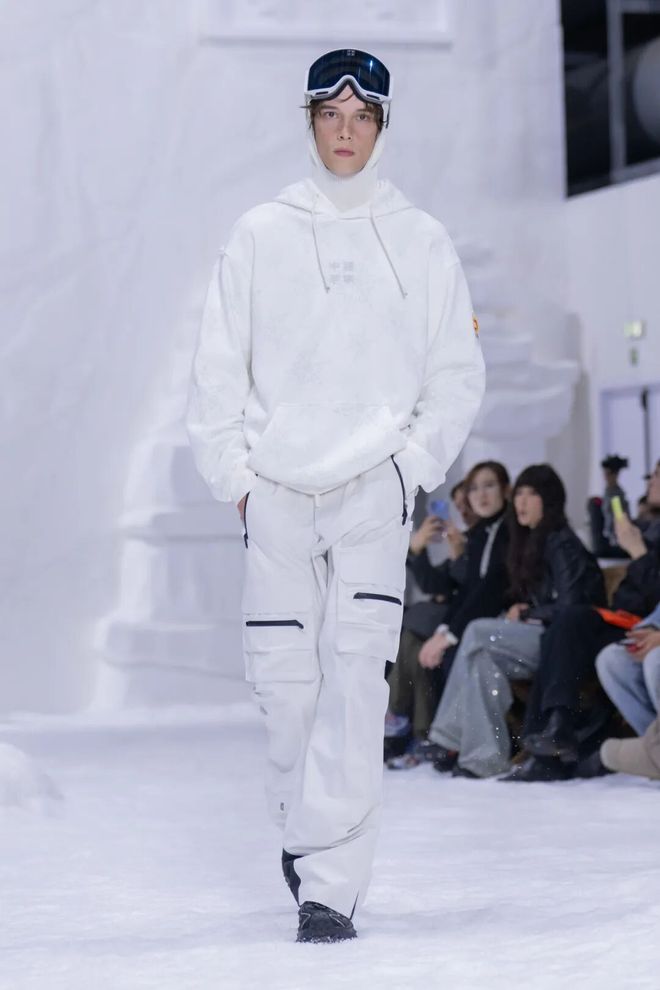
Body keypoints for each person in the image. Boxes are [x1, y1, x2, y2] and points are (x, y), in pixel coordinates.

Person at [186, 49, 485, 943]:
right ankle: (305, 830)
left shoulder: (421, 238)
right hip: (277, 490)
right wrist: (238, 480)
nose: (345, 131)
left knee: (356, 683)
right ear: (310, 121)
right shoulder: (260, 233)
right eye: (331, 115)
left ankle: (330, 885)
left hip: (371, 491)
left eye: (362, 116)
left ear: (382, 126)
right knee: (285, 687)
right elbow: (216, 366)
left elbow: (456, 373)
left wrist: (407, 469)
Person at [426, 464, 604, 779]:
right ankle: (483, 759)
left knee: (477, 631)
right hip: (545, 638)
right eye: (519, 493)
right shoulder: (532, 541)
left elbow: (572, 607)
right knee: (483, 661)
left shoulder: (560, 541)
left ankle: (448, 735)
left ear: (548, 499)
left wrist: (528, 613)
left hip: (565, 646)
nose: (521, 501)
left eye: (531, 493)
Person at [510, 461, 660, 781]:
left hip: (637, 624)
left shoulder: (560, 540)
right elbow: (605, 545)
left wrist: (639, 553)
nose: (651, 481)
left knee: (570, 618)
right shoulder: (649, 527)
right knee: (564, 626)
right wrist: (607, 500)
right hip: (624, 620)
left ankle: (556, 732)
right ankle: (548, 738)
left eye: (658, 475)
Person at [385, 462, 510, 763]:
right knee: (412, 636)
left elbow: (482, 588)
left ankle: (417, 729)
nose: (469, 506)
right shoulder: (476, 537)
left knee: (416, 636)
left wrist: (458, 559)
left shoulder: (492, 536)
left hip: (477, 621)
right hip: (460, 619)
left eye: (487, 487)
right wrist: (418, 551)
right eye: (463, 502)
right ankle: (414, 729)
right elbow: (438, 583)